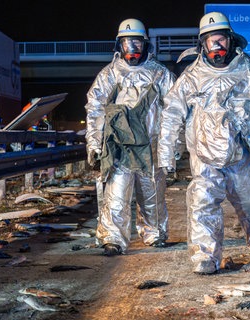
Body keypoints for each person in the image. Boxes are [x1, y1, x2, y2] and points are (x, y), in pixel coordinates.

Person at [157, 12, 250, 274]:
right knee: (202, 204)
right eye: (211, 41)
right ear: (202, 45)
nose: (217, 47)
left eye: (221, 40)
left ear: (231, 41)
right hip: (206, 157)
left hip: (247, 155)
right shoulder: (191, 78)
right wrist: (167, 155)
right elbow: (171, 115)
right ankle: (205, 256)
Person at [84, 18, 175, 256]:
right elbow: (95, 110)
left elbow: (174, 111)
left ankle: (154, 234)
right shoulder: (109, 75)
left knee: (152, 195)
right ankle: (113, 238)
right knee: (116, 195)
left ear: (145, 45)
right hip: (119, 148)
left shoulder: (161, 75)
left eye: (136, 44)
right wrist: (94, 144)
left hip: (150, 146)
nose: (131, 50)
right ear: (119, 45)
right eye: (127, 44)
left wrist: (173, 145)